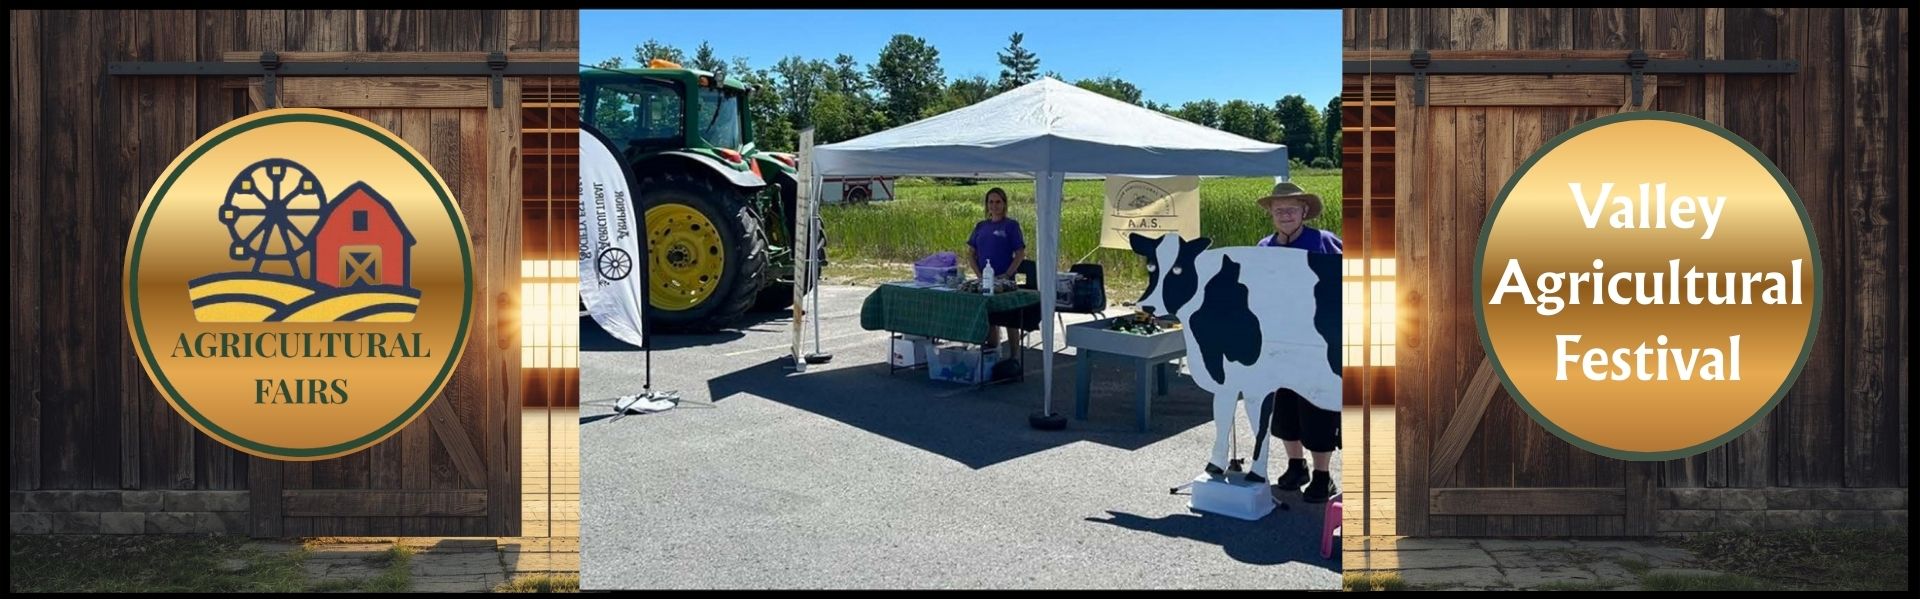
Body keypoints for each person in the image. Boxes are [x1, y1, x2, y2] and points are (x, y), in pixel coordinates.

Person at [1257, 181, 1343, 503]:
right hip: (1278, 341)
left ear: (1305, 211)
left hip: (1317, 343)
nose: (1286, 214)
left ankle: (1323, 476)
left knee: (1318, 406)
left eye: (1292, 209)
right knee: (1284, 407)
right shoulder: (1264, 247)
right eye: (1279, 210)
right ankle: (1297, 466)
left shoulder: (1323, 241)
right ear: (1271, 215)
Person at [966, 187, 1026, 348]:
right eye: (991, 202)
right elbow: (971, 253)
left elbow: (1020, 254)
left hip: (1004, 283)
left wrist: (1007, 275)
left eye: (998, 202)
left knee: (1010, 321)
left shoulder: (1011, 226)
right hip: (984, 281)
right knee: (990, 320)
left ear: (1004, 204)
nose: (994, 205)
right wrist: (979, 275)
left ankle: (1014, 356)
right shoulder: (980, 226)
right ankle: (993, 354)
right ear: (986, 205)